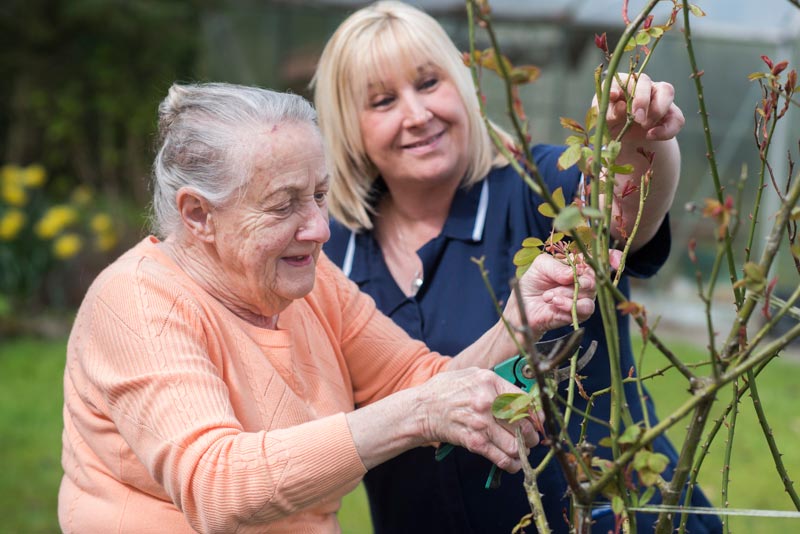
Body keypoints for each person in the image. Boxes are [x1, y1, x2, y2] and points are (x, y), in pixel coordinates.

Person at [57, 82, 599, 533]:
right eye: (284, 205)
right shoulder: (137, 302)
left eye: (319, 195)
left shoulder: (307, 284)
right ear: (198, 214)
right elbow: (216, 485)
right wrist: (418, 412)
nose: (319, 229)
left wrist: (518, 320)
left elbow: (420, 382)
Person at [312, 1, 722, 533]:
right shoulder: (327, 254)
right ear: (348, 124)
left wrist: (634, 133)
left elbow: (622, 210)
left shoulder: (536, 188)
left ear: (463, 85)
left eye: (429, 83)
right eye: (383, 101)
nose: (416, 114)